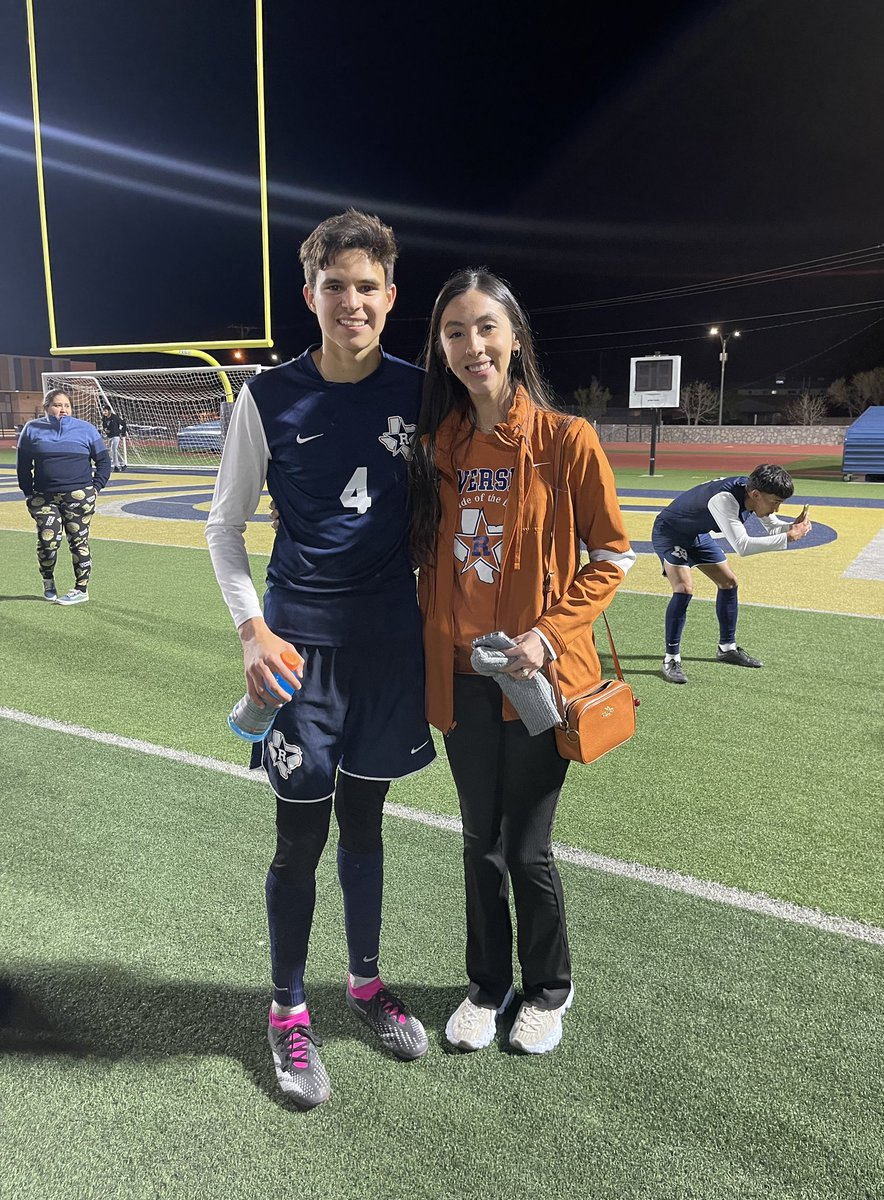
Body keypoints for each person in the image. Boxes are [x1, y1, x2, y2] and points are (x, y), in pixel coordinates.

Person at [205, 210, 435, 1109]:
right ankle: (288, 1011)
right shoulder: (266, 396)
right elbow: (224, 528)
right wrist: (252, 630)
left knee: (368, 826)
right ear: (310, 295)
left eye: (366, 286)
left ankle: (367, 987)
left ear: (389, 296)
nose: (351, 301)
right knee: (300, 837)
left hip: (389, 649)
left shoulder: (424, 391)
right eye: (334, 286)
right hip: (298, 657)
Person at [408, 268, 635, 1055]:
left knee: (526, 847)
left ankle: (547, 991)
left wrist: (546, 635)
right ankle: (487, 985)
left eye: (485, 329)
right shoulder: (438, 445)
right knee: (478, 841)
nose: (473, 346)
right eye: (455, 333)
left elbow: (612, 554)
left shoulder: (566, 440)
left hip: (536, 684)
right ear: (442, 349)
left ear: (514, 337)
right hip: (463, 683)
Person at [650, 464, 812, 684]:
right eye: (775, 502)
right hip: (670, 532)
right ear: (756, 494)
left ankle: (727, 648)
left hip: (696, 534)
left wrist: (792, 527)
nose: (777, 509)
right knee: (684, 588)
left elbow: (772, 526)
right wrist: (790, 537)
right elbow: (742, 546)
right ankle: (671, 659)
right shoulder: (725, 500)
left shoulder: (753, 492)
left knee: (729, 582)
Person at [16, 389, 111, 605]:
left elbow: (104, 462)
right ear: (46, 407)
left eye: (67, 405)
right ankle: (48, 580)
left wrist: (95, 488)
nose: (63, 409)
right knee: (47, 541)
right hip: (44, 498)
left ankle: (81, 589)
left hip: (79, 497)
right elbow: (23, 466)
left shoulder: (86, 430)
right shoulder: (32, 429)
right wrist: (28, 492)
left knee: (79, 542)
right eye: (58, 405)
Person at [101, 405, 127, 471]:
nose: (104, 412)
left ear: (109, 411)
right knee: (113, 450)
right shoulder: (104, 418)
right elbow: (104, 426)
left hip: (116, 436)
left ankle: (116, 466)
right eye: (103, 411)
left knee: (113, 448)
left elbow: (123, 423)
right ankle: (123, 463)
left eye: (105, 411)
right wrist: (105, 430)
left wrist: (123, 432)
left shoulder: (115, 417)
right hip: (109, 436)